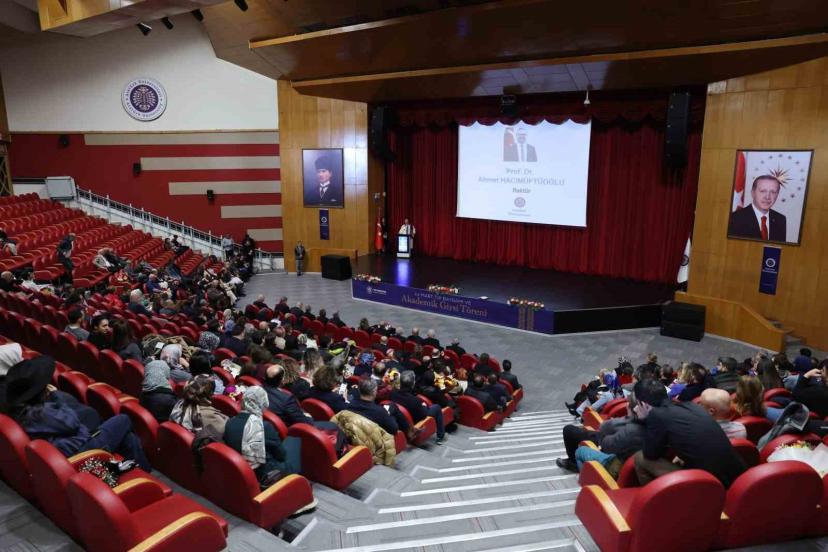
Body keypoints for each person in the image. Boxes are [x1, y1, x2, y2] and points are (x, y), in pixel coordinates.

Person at [6, 356, 150, 470]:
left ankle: (140, 470)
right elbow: (72, 423)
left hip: (74, 445)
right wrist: (56, 395)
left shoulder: (22, 411)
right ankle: (145, 472)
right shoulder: (39, 413)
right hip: (83, 450)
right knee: (124, 419)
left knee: (128, 438)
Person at [632, 378, 746, 487]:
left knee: (640, 458)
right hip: (737, 477)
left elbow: (650, 454)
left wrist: (645, 419)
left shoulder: (657, 415)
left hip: (711, 483)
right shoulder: (692, 406)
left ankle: (656, 496)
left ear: (643, 404)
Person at [224, 386, 305, 491]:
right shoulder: (264, 426)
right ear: (263, 403)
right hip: (267, 474)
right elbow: (281, 455)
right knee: (295, 441)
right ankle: (298, 484)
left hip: (243, 471)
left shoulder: (230, 421)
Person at [556, 392, 646, 473]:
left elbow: (605, 441)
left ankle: (573, 464)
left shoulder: (631, 431)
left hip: (611, 455)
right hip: (616, 448)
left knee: (570, 434)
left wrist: (628, 419)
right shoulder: (651, 429)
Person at [391, 371, 446, 444]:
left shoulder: (393, 393)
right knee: (437, 407)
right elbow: (423, 415)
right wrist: (424, 406)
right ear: (413, 383)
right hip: (415, 420)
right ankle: (440, 436)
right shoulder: (414, 400)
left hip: (402, 420)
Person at [728, 174, 787, 242]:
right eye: (763, 191)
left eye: (773, 192)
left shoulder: (780, 220)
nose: (767, 197)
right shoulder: (735, 218)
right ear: (753, 193)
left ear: (777, 195)